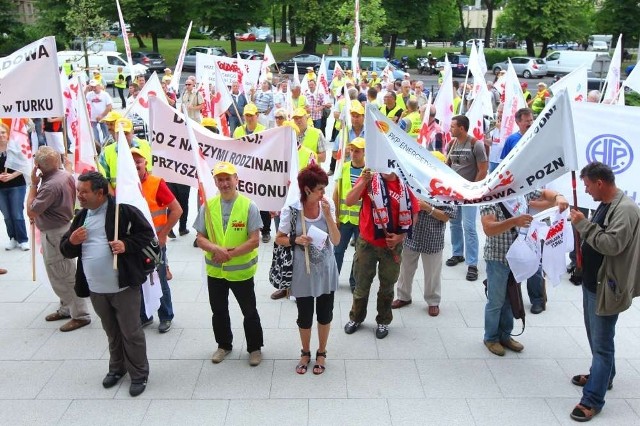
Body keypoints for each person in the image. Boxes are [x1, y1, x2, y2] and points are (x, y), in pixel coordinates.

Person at [60, 171, 154, 397]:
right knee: (111, 331)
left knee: (131, 332)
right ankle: (117, 368)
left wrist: (126, 245)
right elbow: (65, 248)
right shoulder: (82, 216)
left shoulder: (123, 211)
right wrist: (72, 241)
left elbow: (147, 235)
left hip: (123, 287)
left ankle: (139, 373)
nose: (79, 196)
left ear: (99, 193)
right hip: (96, 289)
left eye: (84, 192)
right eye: (78, 191)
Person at [568, 162, 640, 422]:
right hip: (592, 284)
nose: (586, 191)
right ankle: (603, 376)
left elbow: (611, 244)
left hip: (608, 288)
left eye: (587, 185)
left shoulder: (626, 210)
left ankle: (592, 399)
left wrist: (583, 225)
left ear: (600, 183)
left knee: (602, 346)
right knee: (596, 339)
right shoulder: (607, 203)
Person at [480, 188, 568, 356]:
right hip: (498, 258)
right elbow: (488, 228)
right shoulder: (491, 198)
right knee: (496, 301)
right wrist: (514, 222)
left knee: (511, 297)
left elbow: (545, 194)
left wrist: (559, 196)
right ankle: (490, 338)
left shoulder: (522, 191)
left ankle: (505, 335)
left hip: (519, 257)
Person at [194, 161, 264, 366]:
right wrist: (216, 250)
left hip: (241, 272)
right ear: (215, 182)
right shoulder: (208, 205)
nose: (225, 183)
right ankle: (223, 345)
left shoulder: (248, 206)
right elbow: (200, 238)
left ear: (236, 180)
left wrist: (228, 254)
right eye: (220, 179)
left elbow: (254, 240)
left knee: (249, 311)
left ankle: (255, 348)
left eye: (228, 179)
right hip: (215, 272)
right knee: (219, 311)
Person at [275, 163, 340, 375]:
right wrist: (295, 239)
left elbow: (337, 240)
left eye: (324, 188)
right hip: (302, 272)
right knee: (304, 315)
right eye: (320, 189)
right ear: (307, 190)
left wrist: (329, 216)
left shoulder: (327, 204)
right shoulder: (292, 210)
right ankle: (305, 352)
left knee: (325, 313)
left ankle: (322, 352)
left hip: (325, 269)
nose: (324, 193)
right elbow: (279, 239)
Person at [343, 168, 420, 339]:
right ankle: (356, 318)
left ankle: (383, 321)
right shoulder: (370, 179)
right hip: (367, 244)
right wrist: (363, 181)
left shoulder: (404, 184)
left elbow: (414, 212)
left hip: (392, 246)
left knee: (387, 287)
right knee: (361, 284)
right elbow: (349, 200)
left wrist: (400, 236)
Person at [27, 146, 92, 331]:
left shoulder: (50, 185)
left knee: (64, 274)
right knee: (58, 272)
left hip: (56, 233)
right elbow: (69, 171)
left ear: (38, 165)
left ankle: (80, 314)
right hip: (59, 229)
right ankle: (66, 308)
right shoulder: (64, 175)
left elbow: (31, 210)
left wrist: (32, 185)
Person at [392, 151, 456, 316]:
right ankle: (403, 296)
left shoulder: (447, 189)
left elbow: (446, 217)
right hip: (412, 234)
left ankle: (433, 301)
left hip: (433, 237)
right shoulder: (415, 182)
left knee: (432, 273)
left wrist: (429, 208)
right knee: (406, 268)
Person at [132, 148, 182, 333]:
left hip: (154, 244)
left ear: (145, 162)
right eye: (132, 161)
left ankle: (166, 316)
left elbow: (177, 210)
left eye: (139, 160)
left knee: (159, 279)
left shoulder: (156, 183)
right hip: (133, 246)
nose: (136, 164)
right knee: (138, 281)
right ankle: (144, 316)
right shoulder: (124, 185)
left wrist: (163, 235)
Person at [445, 115, 488, 281]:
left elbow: (482, 169)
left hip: (469, 194)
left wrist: (472, 190)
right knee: (454, 224)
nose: (450, 129)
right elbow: (447, 166)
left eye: (453, 126)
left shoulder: (475, 144)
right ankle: (457, 253)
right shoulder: (451, 144)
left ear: (461, 128)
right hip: (454, 193)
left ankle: (472, 264)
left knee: (469, 227)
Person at [332, 137, 366, 293]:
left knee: (359, 254)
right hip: (344, 220)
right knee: (338, 250)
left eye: (357, 151)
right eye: (352, 150)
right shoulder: (344, 167)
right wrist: (335, 217)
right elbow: (336, 194)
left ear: (364, 152)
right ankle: (333, 278)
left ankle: (354, 281)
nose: (353, 154)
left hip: (362, 221)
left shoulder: (369, 171)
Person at [98, 118, 152, 192]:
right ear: (115, 133)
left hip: (147, 193)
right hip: (120, 197)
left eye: (126, 133)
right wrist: (114, 197)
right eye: (119, 133)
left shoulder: (145, 145)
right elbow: (103, 179)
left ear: (132, 132)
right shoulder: (106, 152)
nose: (123, 137)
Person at [0, 122, 30, 251]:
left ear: (8, 134)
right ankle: (12, 237)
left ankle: (23, 239)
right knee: (6, 214)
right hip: (1, 187)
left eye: (3, 132)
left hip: (17, 185)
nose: (1, 135)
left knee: (17, 213)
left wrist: (11, 176)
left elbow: (25, 165)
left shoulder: (15, 147)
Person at [86, 80, 113, 145]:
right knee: (95, 136)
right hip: (93, 119)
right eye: (92, 87)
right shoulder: (89, 94)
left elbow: (109, 106)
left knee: (106, 135)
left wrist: (101, 115)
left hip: (104, 118)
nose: (93, 88)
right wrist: (86, 89)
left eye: (95, 86)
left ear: (99, 86)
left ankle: (106, 147)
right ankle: (97, 149)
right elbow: (82, 99)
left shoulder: (105, 94)